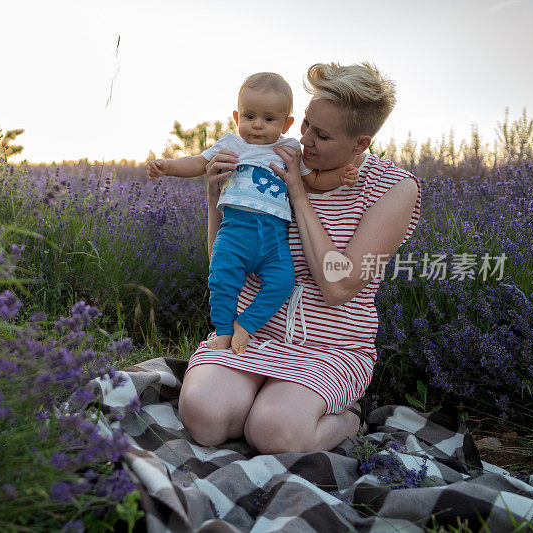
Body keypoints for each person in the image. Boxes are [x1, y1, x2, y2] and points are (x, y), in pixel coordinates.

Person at [178, 62, 422, 454]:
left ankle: (347, 415)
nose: (303, 139)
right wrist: (214, 197)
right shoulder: (267, 153)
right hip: (252, 334)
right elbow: (222, 263)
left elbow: (337, 285)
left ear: (360, 144)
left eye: (321, 135)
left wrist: (297, 193)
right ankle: (261, 401)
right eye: (305, 124)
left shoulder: (393, 188)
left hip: (332, 349)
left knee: (276, 433)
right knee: (203, 417)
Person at [147, 73, 357, 354]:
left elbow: (314, 180)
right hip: (235, 230)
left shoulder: (289, 150)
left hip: (273, 239)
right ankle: (223, 331)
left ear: (286, 123)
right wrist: (168, 167)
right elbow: (197, 162)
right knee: (221, 279)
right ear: (237, 116)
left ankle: (245, 325)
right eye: (249, 116)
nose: (257, 125)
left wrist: (341, 177)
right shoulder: (231, 145)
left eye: (269, 119)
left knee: (283, 282)